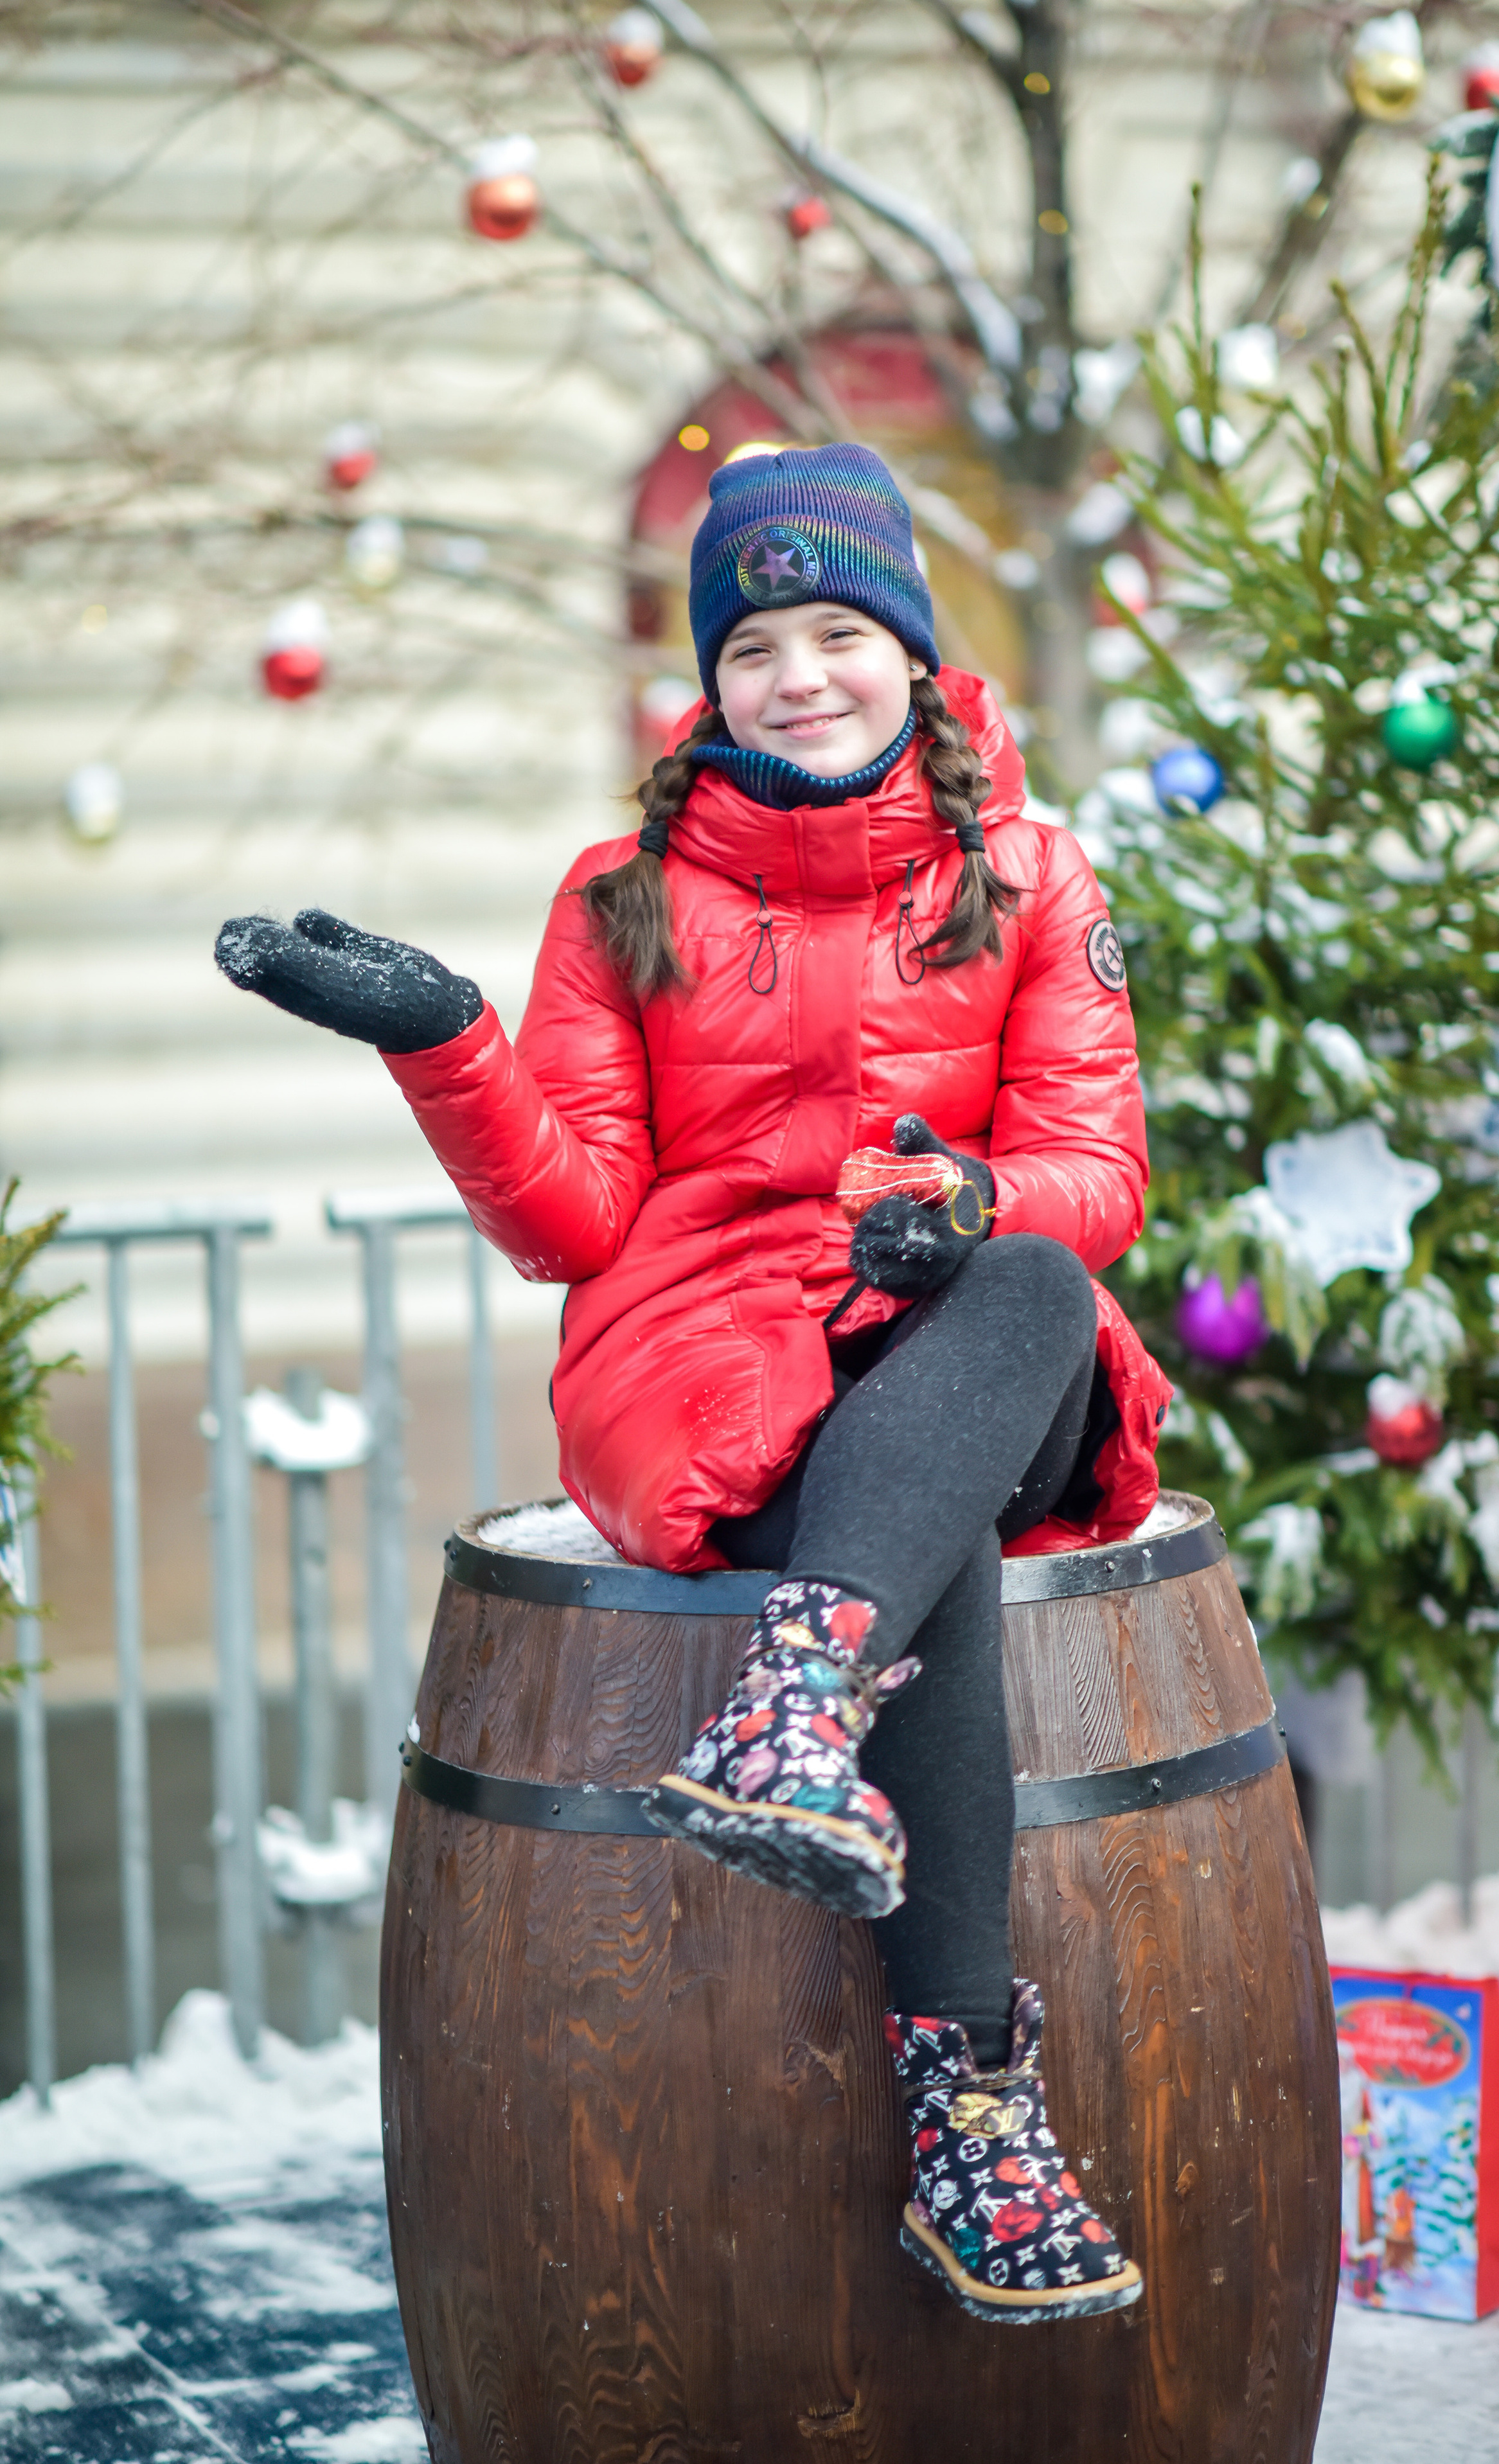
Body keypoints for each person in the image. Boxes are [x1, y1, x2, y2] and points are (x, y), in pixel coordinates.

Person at [217, 443, 1170, 2325]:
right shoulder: (621, 896)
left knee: (1039, 1284)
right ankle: (971, 2121)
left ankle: (793, 1700)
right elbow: (574, 1218)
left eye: (839, 631)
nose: (800, 674)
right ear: (707, 679)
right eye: (755, 646)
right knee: (936, 1531)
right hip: (711, 1345)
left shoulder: (1033, 876)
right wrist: (446, 1040)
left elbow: (1099, 1166)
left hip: (963, 1313)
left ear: (908, 648)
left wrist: (970, 1199)